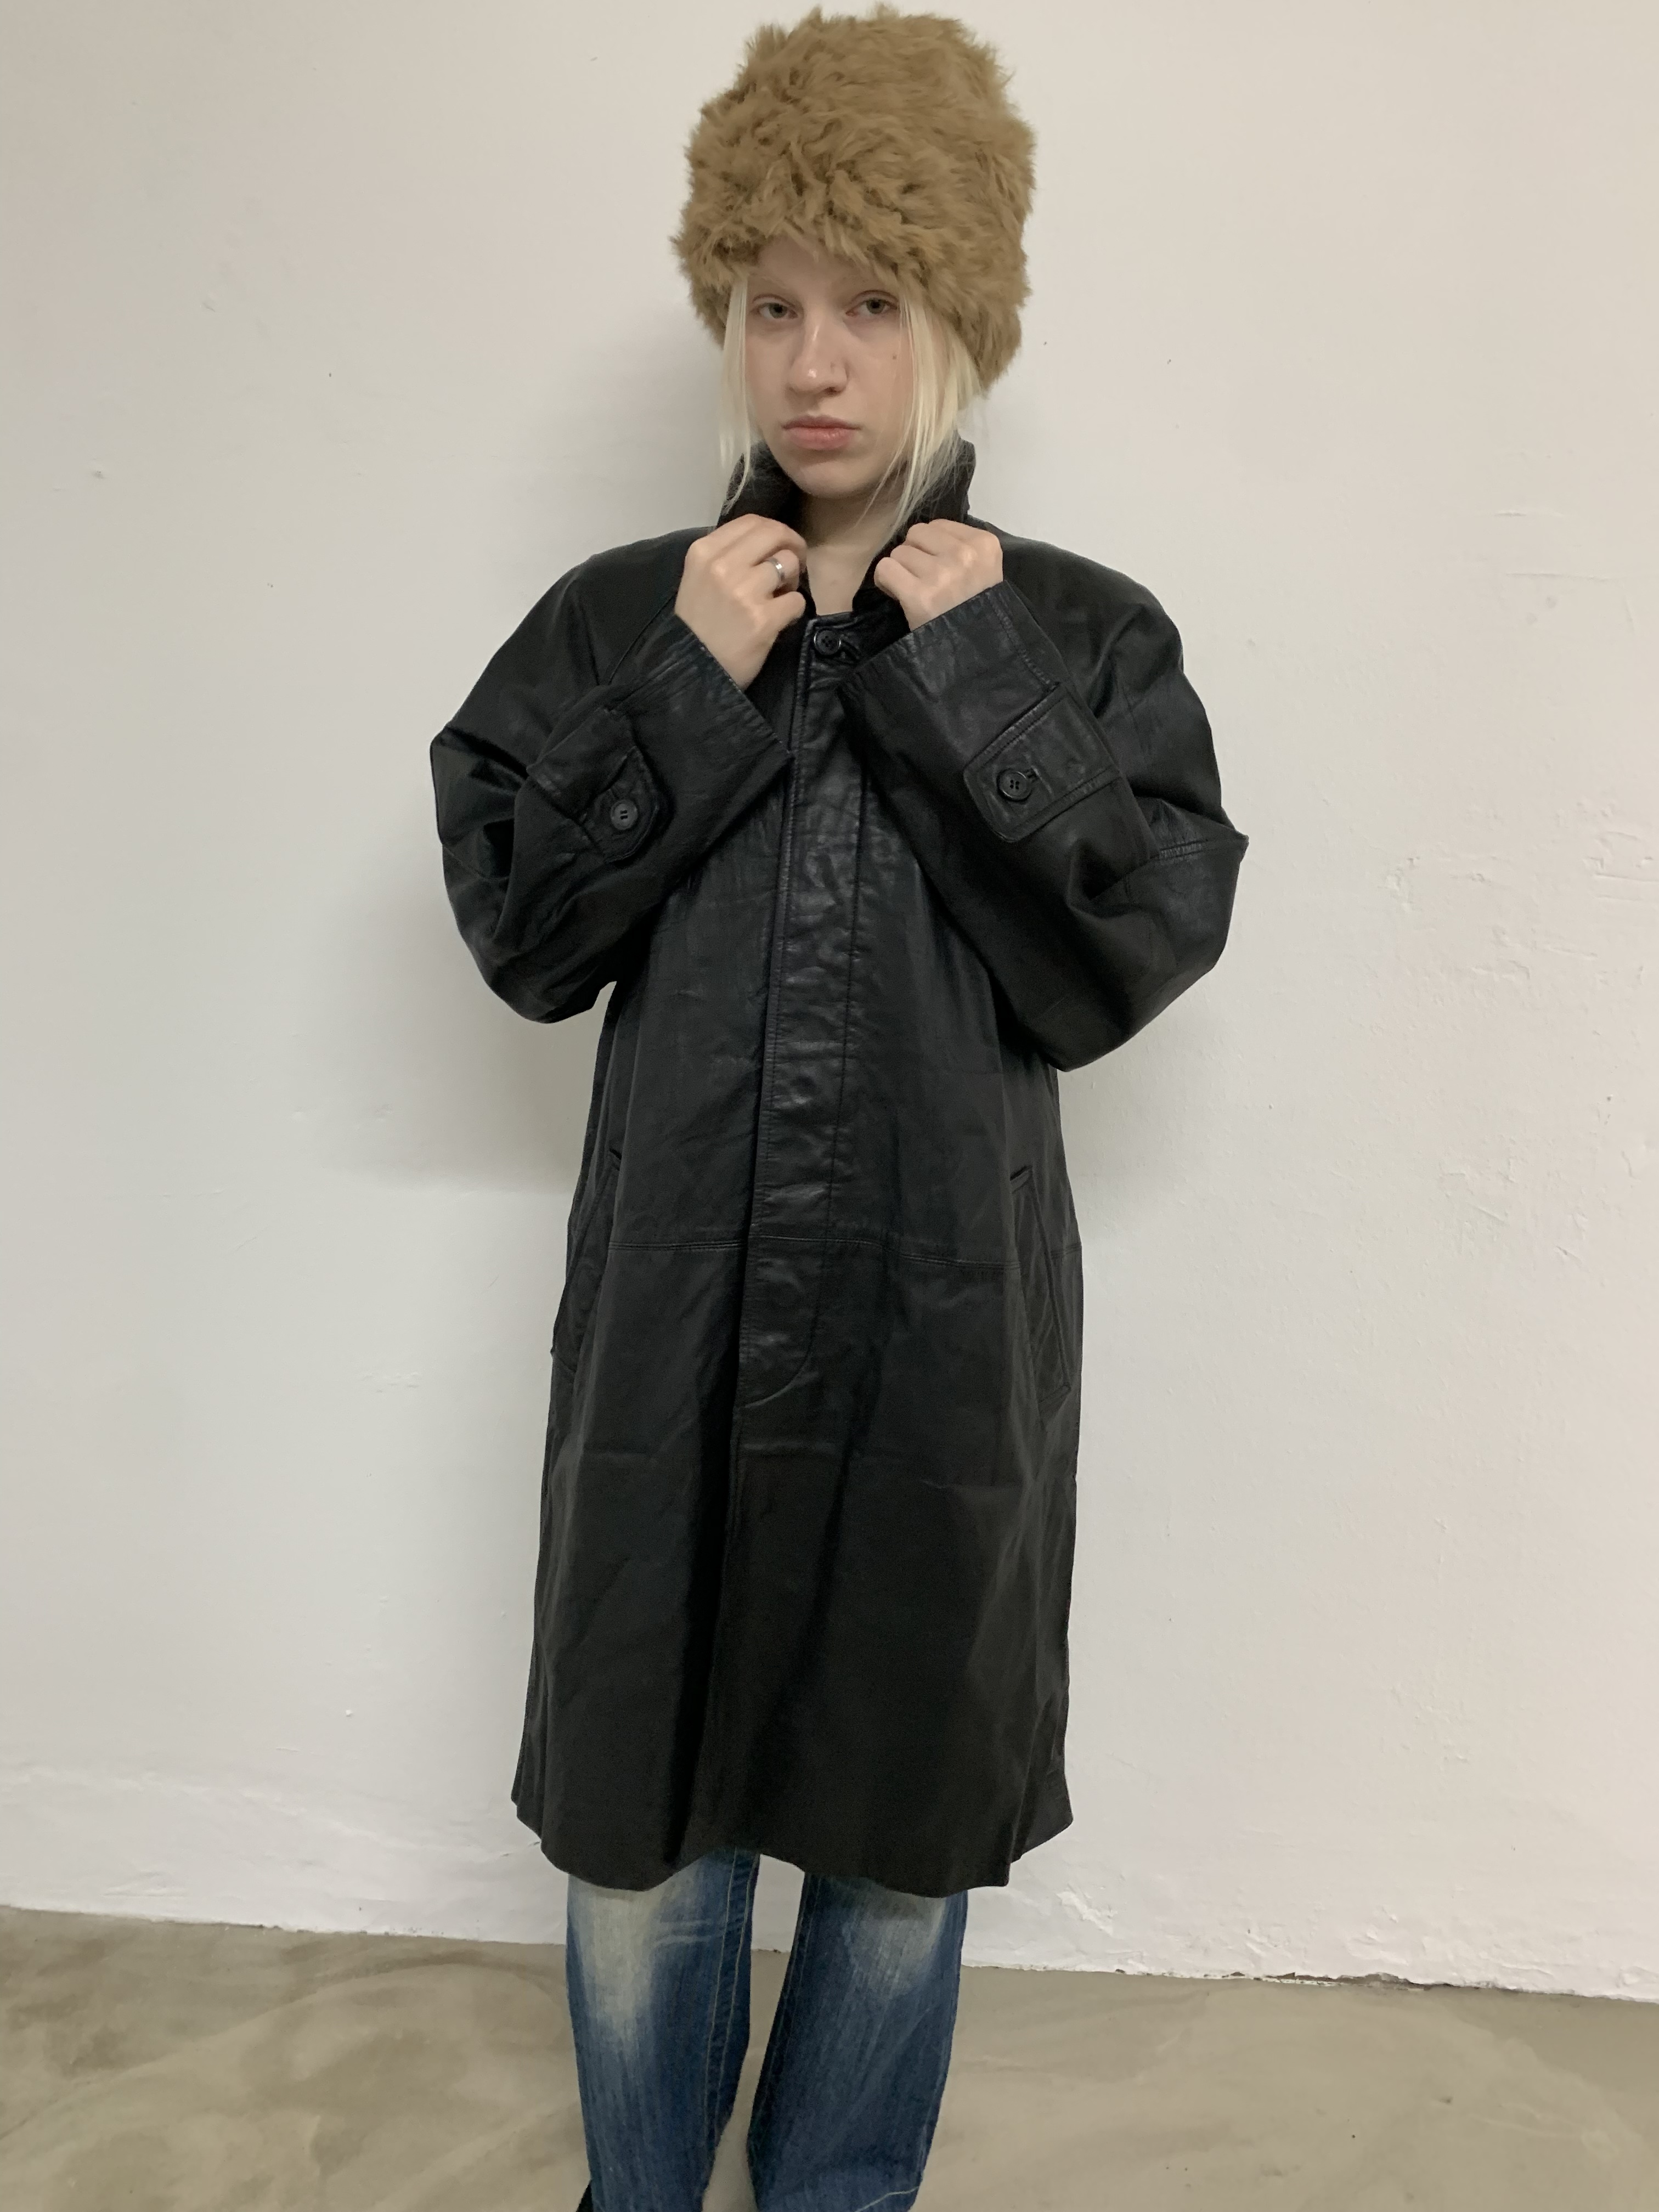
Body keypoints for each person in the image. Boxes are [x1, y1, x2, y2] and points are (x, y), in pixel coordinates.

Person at [429, 8, 1249, 2207]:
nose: (815, 361)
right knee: (642, 1814)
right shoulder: (630, 619)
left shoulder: (1080, 636)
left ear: (955, 323)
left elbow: (1121, 964)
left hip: (936, 1326)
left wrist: (974, 683)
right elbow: (523, 937)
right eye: (771, 303)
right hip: (674, 1325)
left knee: (901, 1822)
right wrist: (685, 690)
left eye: (872, 303)